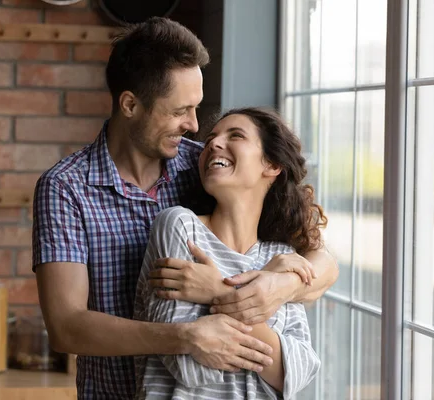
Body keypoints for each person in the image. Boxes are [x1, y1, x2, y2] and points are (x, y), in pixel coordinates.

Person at [32, 17, 338, 399]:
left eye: (196, 108)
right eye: (180, 110)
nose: (194, 126)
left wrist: (281, 285)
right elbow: (67, 327)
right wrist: (183, 338)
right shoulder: (66, 188)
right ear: (130, 104)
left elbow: (320, 260)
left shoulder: (204, 169)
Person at [134, 107, 325, 399]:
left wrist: (215, 291)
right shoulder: (180, 227)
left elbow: (293, 374)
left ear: (272, 164)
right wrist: (261, 318)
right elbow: (188, 367)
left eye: (235, 135)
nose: (213, 144)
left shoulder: (281, 259)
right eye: (211, 138)